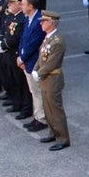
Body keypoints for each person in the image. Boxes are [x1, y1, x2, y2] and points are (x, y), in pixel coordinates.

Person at [35, 11, 70, 151]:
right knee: (48, 108)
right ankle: (53, 132)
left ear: (51, 23)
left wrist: (39, 72)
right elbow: (42, 56)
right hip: (45, 78)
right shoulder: (48, 38)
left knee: (55, 110)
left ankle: (63, 138)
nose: (41, 23)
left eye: (44, 21)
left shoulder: (57, 41)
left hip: (52, 78)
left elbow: (52, 62)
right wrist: (36, 68)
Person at [16, 0, 47, 133]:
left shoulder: (38, 21)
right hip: (26, 59)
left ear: (30, 6)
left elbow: (34, 43)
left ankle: (41, 119)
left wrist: (23, 58)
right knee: (33, 91)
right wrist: (20, 55)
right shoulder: (28, 19)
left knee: (37, 91)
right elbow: (23, 39)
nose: (21, 6)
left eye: (23, 4)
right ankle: (36, 116)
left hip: (33, 61)